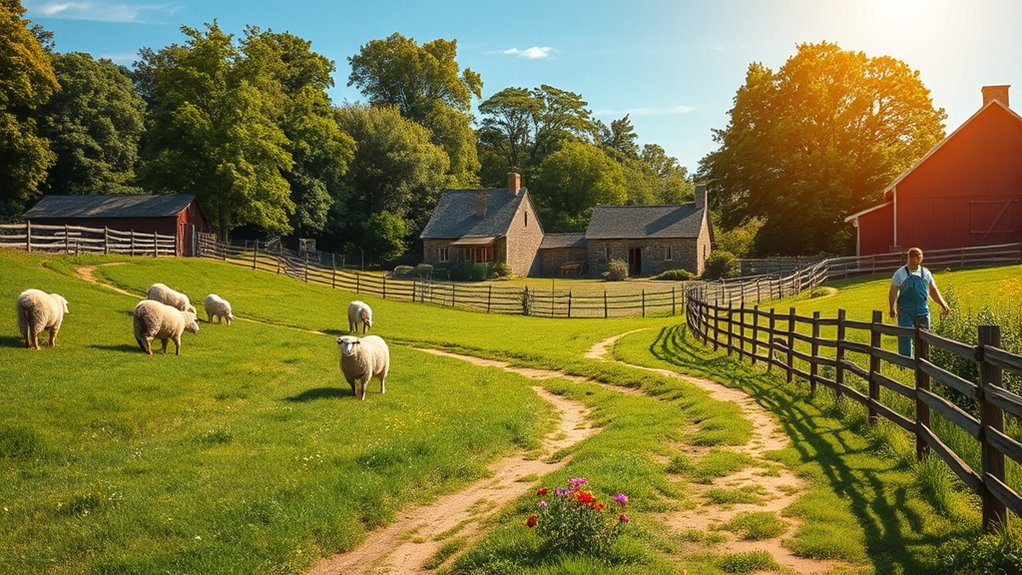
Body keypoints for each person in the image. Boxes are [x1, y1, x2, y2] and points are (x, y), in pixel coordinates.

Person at [888, 247, 950, 357]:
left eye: (914, 260)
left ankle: (924, 361)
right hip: (905, 311)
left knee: (924, 337)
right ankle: (905, 363)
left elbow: (933, 291)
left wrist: (943, 303)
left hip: (923, 311)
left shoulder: (926, 273)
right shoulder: (900, 273)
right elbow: (893, 290)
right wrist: (892, 308)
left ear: (919, 259)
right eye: (909, 259)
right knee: (905, 337)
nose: (910, 263)